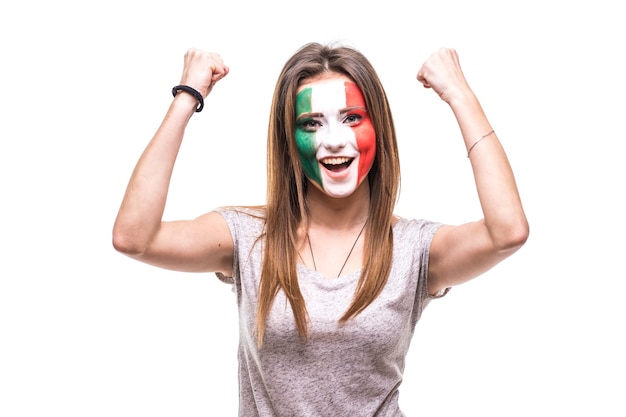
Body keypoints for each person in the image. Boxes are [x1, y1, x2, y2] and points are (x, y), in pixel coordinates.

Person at [112, 42, 529, 416]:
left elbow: (507, 231)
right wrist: (187, 97)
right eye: (311, 123)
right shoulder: (247, 235)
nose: (333, 140)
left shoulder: (414, 248)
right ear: (290, 139)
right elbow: (135, 238)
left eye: (351, 118)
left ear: (377, 128)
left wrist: (460, 96)